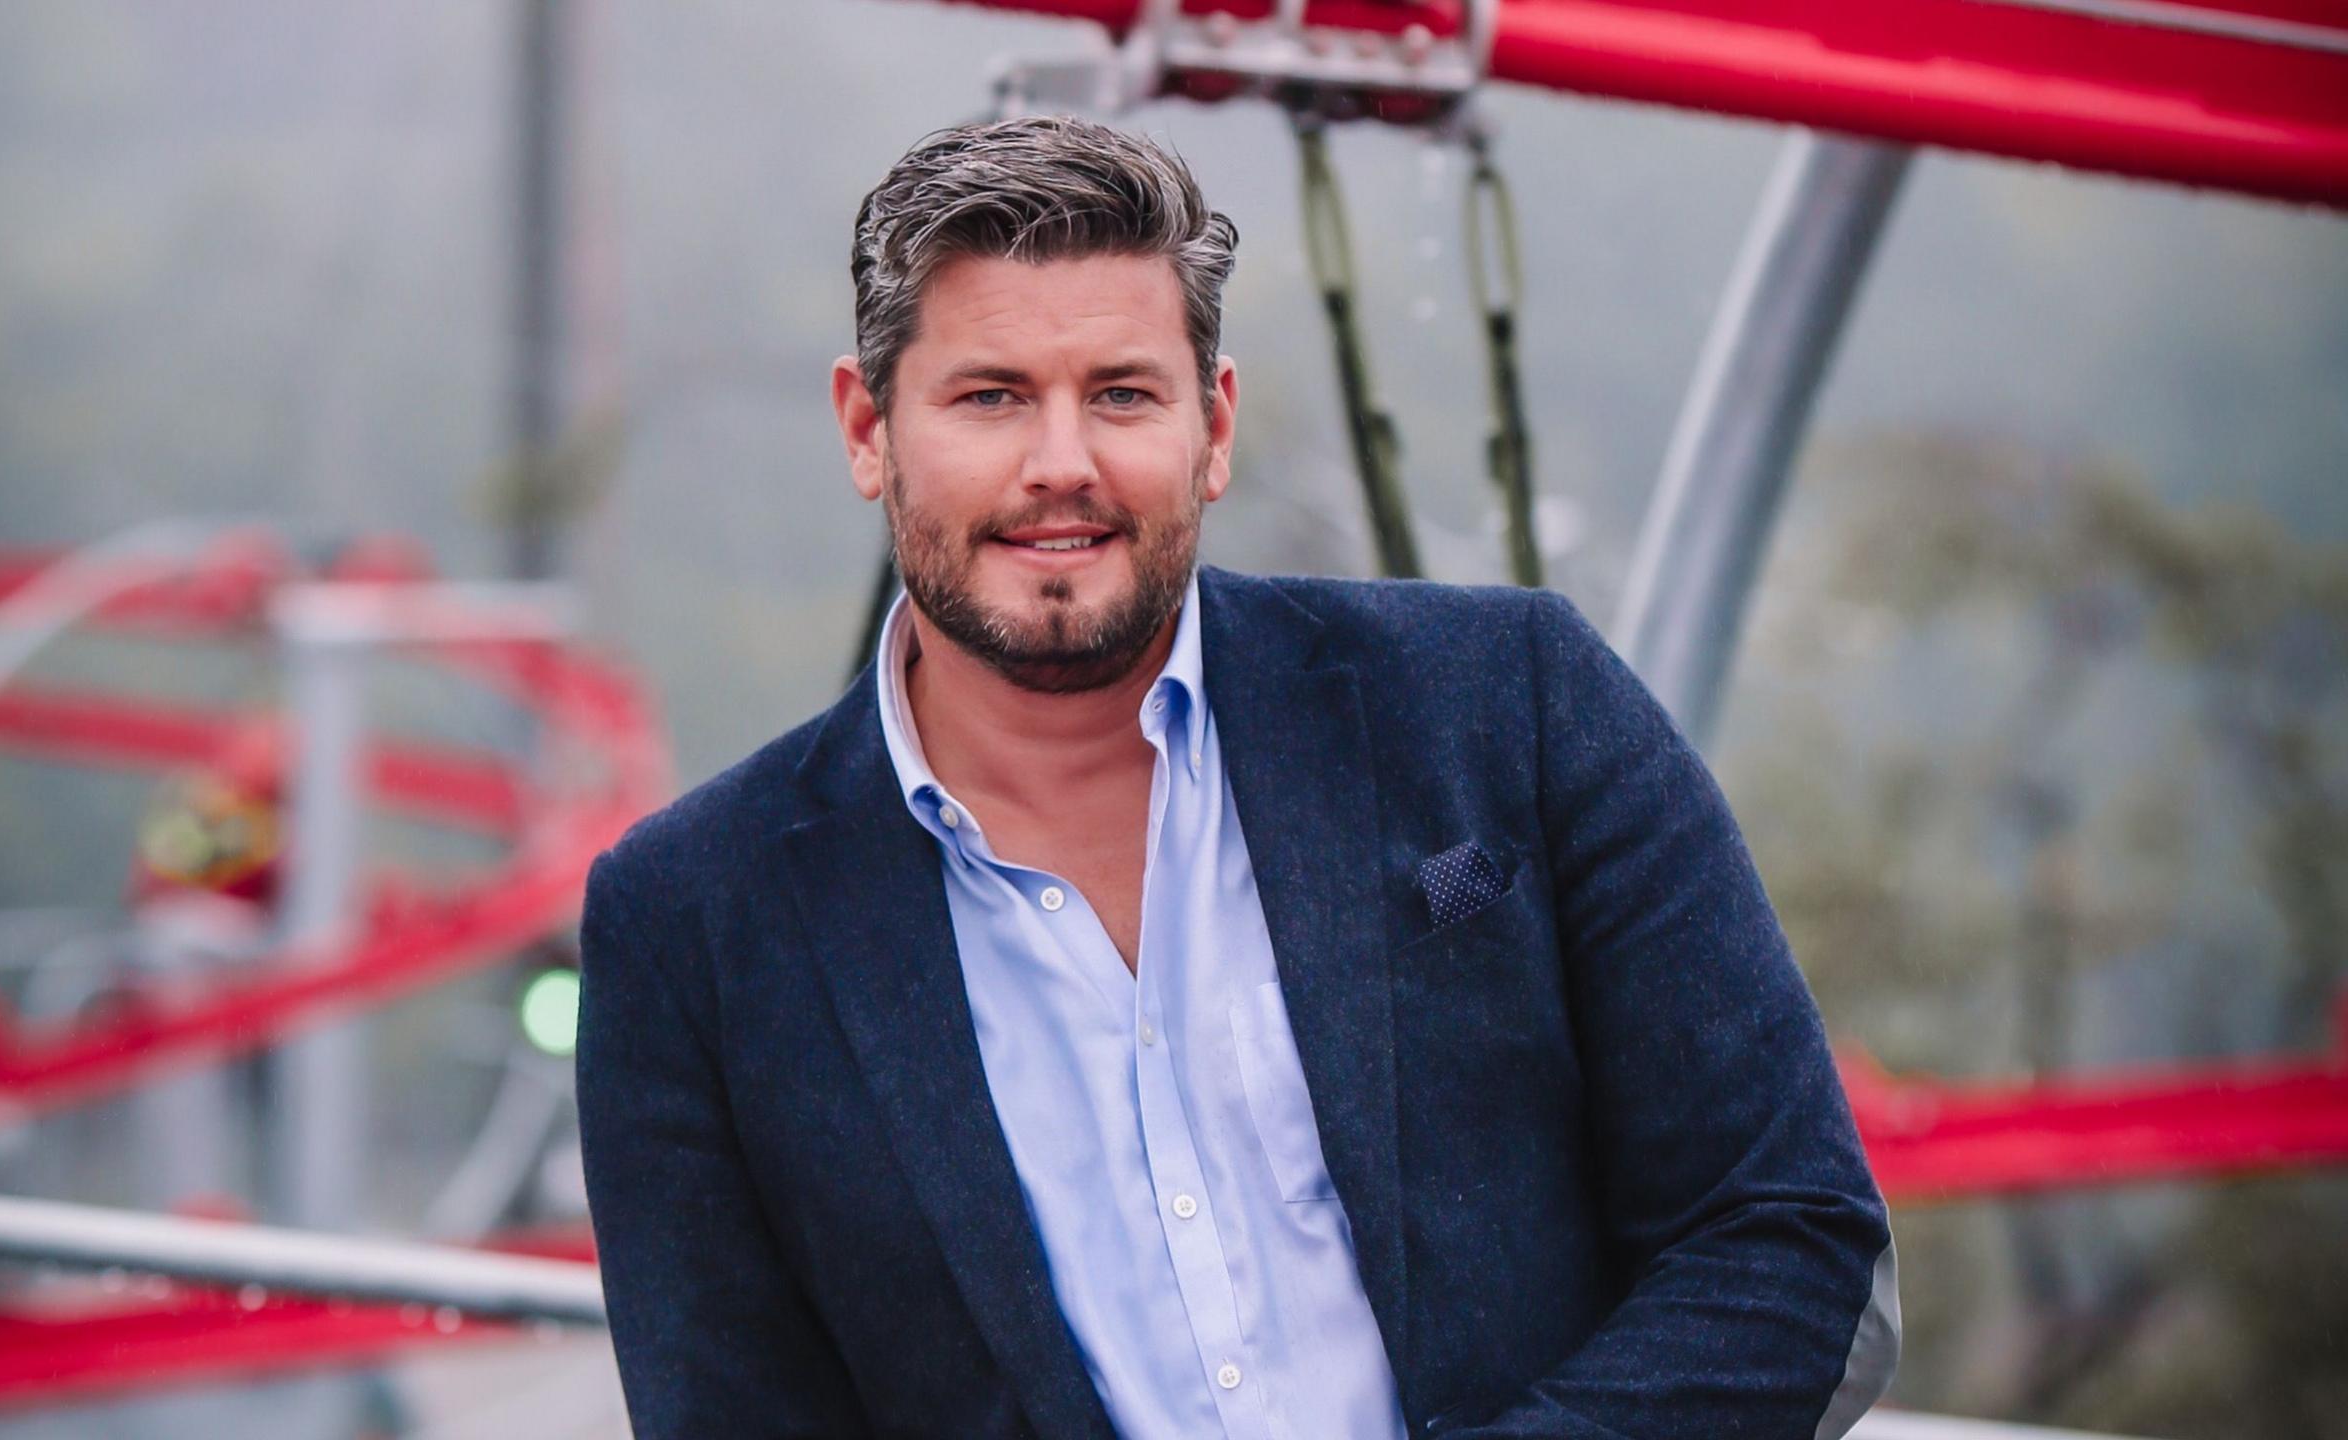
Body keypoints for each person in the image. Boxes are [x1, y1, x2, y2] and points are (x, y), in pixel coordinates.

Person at [576, 115, 1898, 1440]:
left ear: (1213, 425)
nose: (1061, 464)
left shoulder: (1510, 703)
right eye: (990, 397)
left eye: (1122, 394)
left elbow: (1786, 1235)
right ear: (870, 431)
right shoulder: (693, 924)